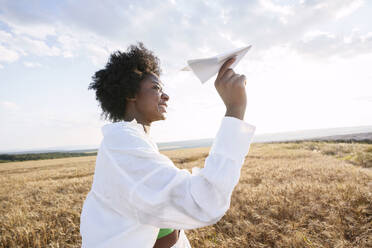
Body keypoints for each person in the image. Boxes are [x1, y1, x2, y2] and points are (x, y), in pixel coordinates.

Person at [80, 42, 256, 248]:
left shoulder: (133, 141)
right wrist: (236, 108)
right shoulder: (122, 143)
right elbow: (204, 203)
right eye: (155, 88)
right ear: (130, 94)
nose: (166, 95)